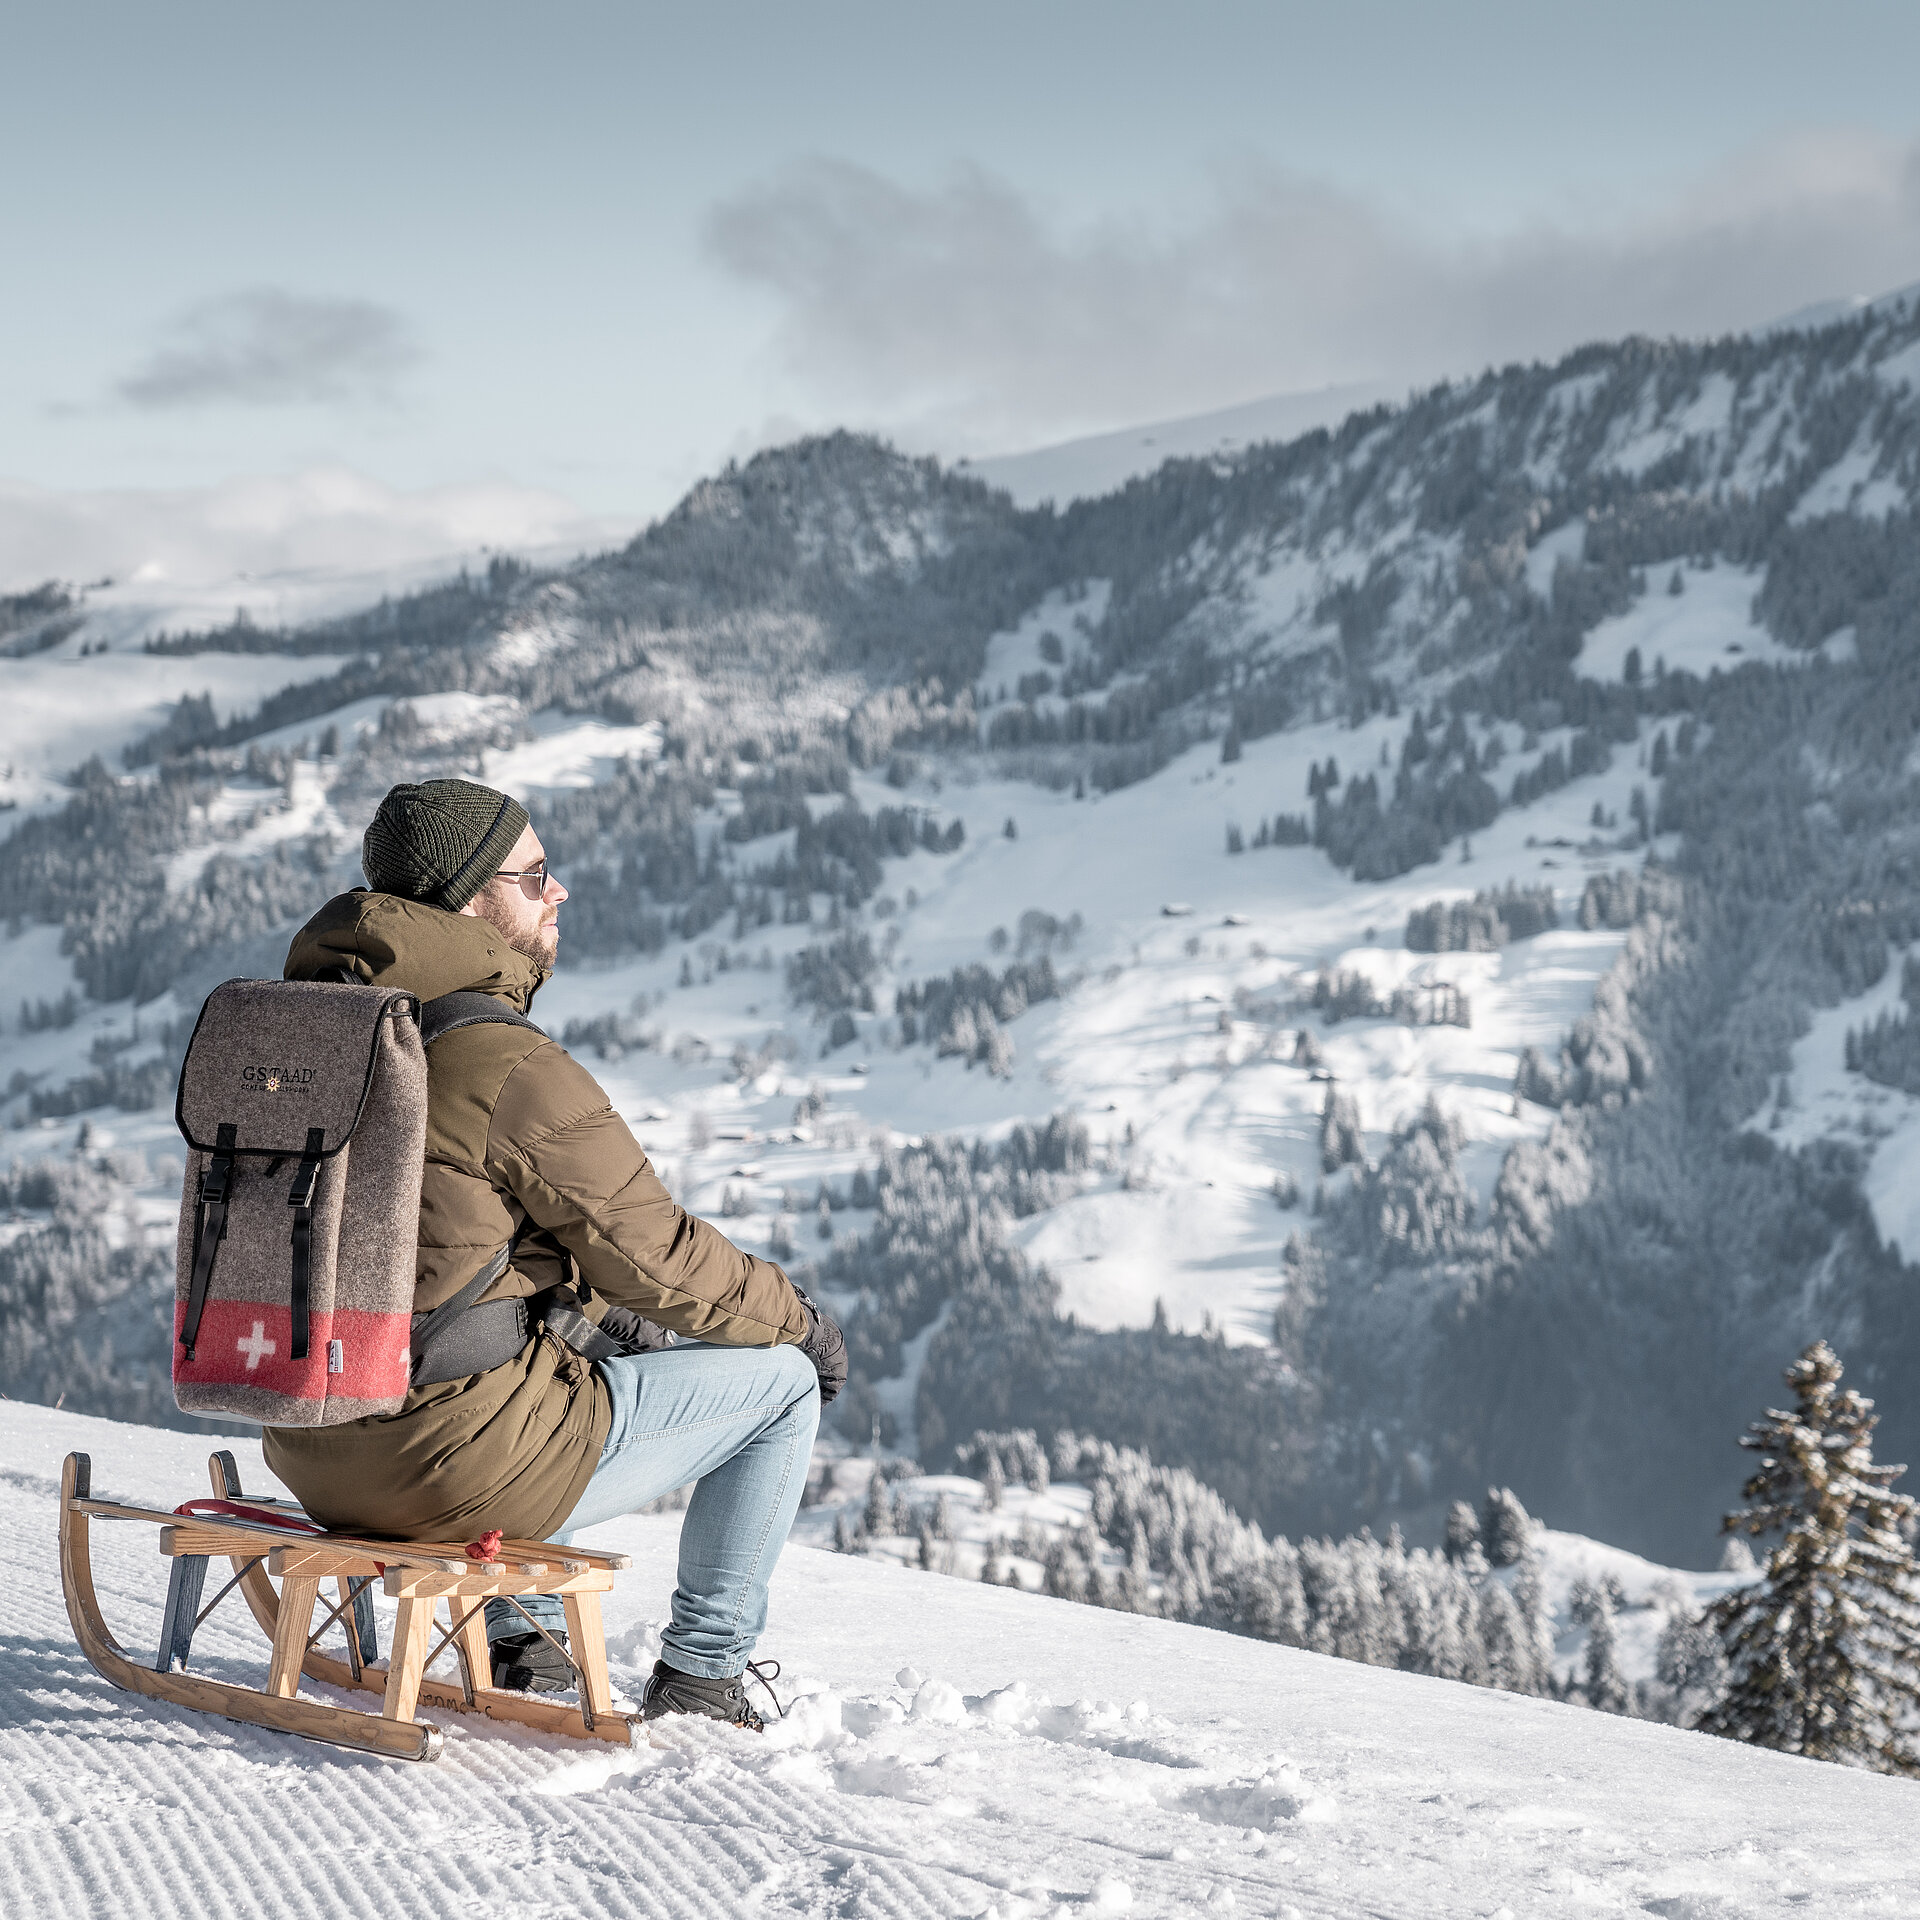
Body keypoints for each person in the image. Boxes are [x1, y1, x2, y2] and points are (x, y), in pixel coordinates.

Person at [264, 777, 846, 1730]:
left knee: (562, 1350)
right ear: (468, 900)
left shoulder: (321, 1029)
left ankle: (518, 1634)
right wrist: (804, 1326)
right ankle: (704, 1674)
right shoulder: (499, 1060)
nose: (558, 892)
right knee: (779, 1383)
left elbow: (443, 1264)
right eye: (534, 875)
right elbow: (658, 1258)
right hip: (440, 1468)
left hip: (309, 1438)